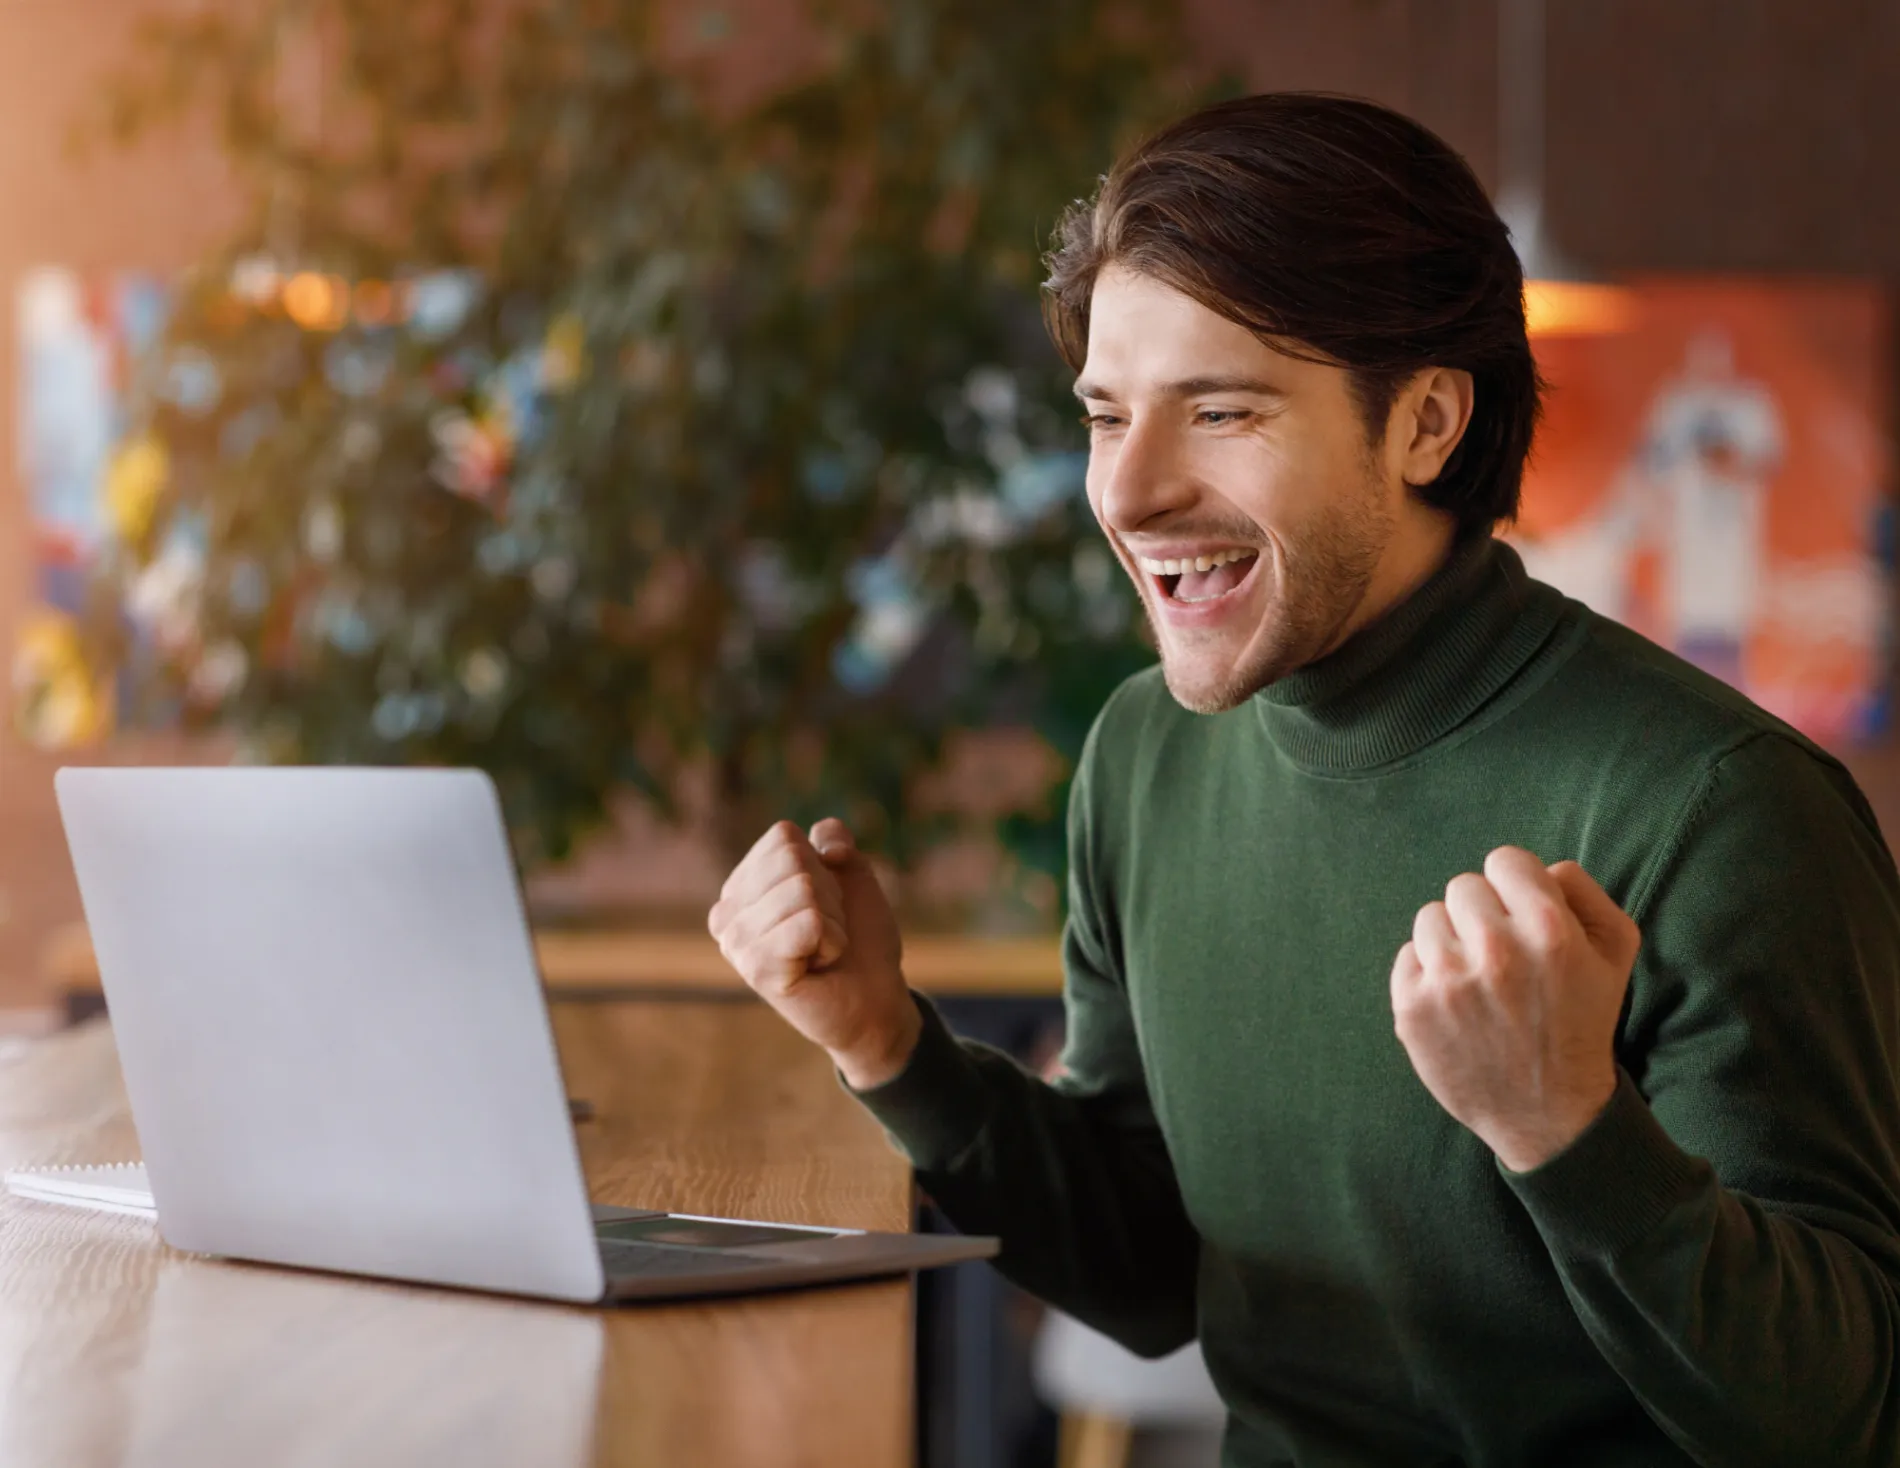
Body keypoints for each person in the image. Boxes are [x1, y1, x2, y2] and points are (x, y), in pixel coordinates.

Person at [707, 93, 1900, 1466]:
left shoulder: (1723, 811)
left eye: (1220, 411)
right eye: (1106, 416)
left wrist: (1567, 1131)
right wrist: (886, 1044)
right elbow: (1151, 1271)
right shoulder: (1145, 754)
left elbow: (1843, 1422)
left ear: (1426, 424)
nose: (1129, 493)